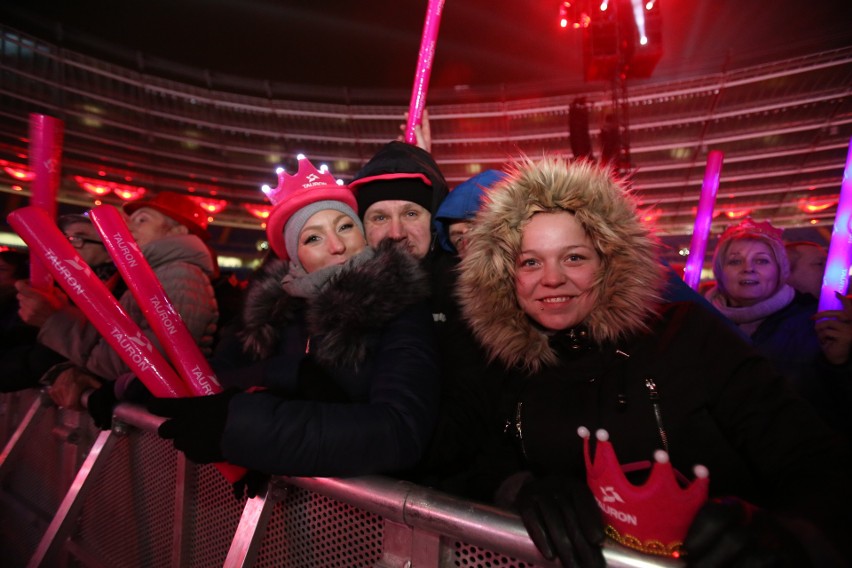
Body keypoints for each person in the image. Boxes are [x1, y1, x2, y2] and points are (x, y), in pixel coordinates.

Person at [444, 156, 850, 567]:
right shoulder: (505, 364)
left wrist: (786, 534)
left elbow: (813, 459)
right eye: (530, 261)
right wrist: (519, 489)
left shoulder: (687, 336)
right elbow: (475, 459)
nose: (551, 279)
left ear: (609, 263)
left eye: (574, 258)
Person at [146, 156, 440, 482]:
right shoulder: (271, 313)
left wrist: (243, 427)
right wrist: (133, 386)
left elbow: (400, 430)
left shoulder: (401, 304)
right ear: (295, 258)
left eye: (345, 227)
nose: (337, 245)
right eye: (312, 238)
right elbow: (213, 378)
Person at [15, 193, 219, 409]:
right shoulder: (152, 274)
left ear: (177, 231)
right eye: (130, 220)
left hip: (154, 417)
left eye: (143, 220)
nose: (129, 227)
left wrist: (55, 320)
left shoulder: (180, 275)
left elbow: (149, 362)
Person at [704, 218, 850, 442]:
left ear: (780, 271)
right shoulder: (701, 325)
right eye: (735, 261)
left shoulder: (816, 322)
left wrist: (842, 364)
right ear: (720, 273)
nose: (748, 268)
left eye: (762, 261)